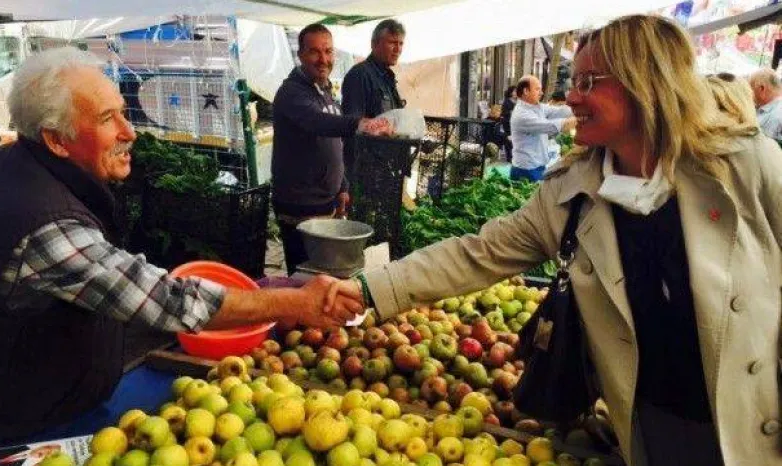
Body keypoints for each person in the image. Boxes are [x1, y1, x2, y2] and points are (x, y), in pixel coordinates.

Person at [330, 14, 782, 466]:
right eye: (573, 81)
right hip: (651, 425)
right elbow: (478, 252)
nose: (571, 97)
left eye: (588, 81)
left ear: (644, 81)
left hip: (757, 423)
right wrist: (369, 288)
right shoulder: (571, 192)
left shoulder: (744, 167)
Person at [0, 47, 362, 452]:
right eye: (105, 119)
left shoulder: (3, 165)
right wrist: (294, 303)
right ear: (57, 140)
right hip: (12, 429)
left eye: (121, 111)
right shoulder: (43, 223)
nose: (129, 131)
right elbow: (165, 302)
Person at [271, 24, 391, 275]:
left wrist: (343, 186)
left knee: (326, 277)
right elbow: (318, 123)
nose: (323, 59)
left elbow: (333, 144)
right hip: (301, 209)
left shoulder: (323, 90)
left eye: (328, 51)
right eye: (315, 52)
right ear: (301, 55)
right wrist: (360, 123)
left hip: (327, 204)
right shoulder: (291, 93)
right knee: (305, 281)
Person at [341, 19, 407, 179]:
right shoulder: (360, 75)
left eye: (401, 43)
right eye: (392, 42)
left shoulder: (386, 77)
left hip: (384, 166)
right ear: (374, 44)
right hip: (364, 169)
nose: (397, 49)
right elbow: (353, 124)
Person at [509, 75, 576, 182]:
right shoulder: (522, 115)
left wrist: (579, 108)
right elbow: (552, 126)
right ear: (526, 91)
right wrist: (582, 117)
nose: (541, 93)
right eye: (537, 89)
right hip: (526, 170)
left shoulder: (537, 107)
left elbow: (559, 111)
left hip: (537, 167)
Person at [749, 68, 782, 140]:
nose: (750, 95)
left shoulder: (776, 116)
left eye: (751, 90)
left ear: (761, 89)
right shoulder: (766, 107)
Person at [500, 85, 518, 162]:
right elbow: (505, 113)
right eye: (514, 91)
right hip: (508, 124)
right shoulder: (507, 102)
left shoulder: (518, 101)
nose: (516, 93)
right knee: (509, 141)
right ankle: (509, 158)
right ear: (510, 92)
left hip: (516, 124)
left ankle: (515, 157)